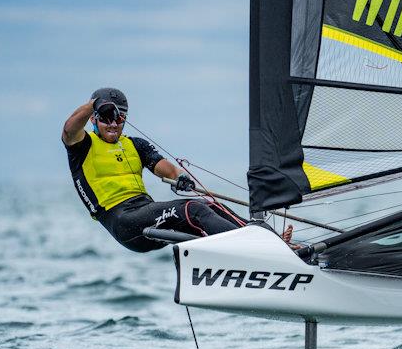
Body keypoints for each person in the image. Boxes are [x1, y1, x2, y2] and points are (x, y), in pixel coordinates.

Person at [62, 87, 292, 252]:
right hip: (122, 221)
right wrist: (94, 103)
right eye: (105, 117)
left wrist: (180, 178)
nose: (113, 123)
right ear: (94, 118)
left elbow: (168, 170)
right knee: (192, 208)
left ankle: (276, 243)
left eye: (119, 117)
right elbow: (69, 128)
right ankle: (259, 249)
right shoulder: (82, 145)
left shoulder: (135, 145)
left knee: (208, 204)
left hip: (146, 210)